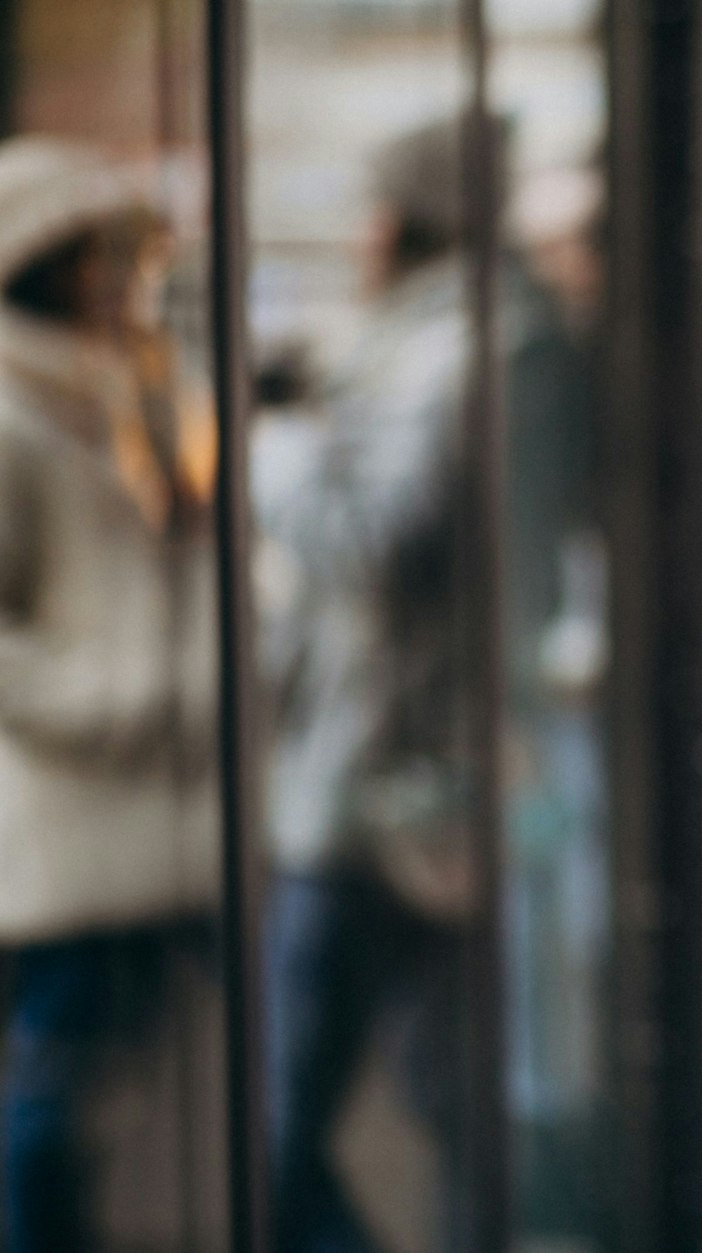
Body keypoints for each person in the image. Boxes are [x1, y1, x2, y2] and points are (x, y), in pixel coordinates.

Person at [253, 114, 594, 1252]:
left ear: (399, 223)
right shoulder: (473, 337)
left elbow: (368, 536)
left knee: (285, 1120)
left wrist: (271, 450)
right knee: (460, 1104)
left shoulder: (457, 346)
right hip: (426, 759)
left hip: (384, 769)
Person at [0, 138, 220, 1250]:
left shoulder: (131, 389)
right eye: (86, 255)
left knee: (137, 1099)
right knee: (55, 1097)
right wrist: (106, 696)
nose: (109, 278)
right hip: (73, 812)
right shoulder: (12, 404)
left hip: (167, 803)